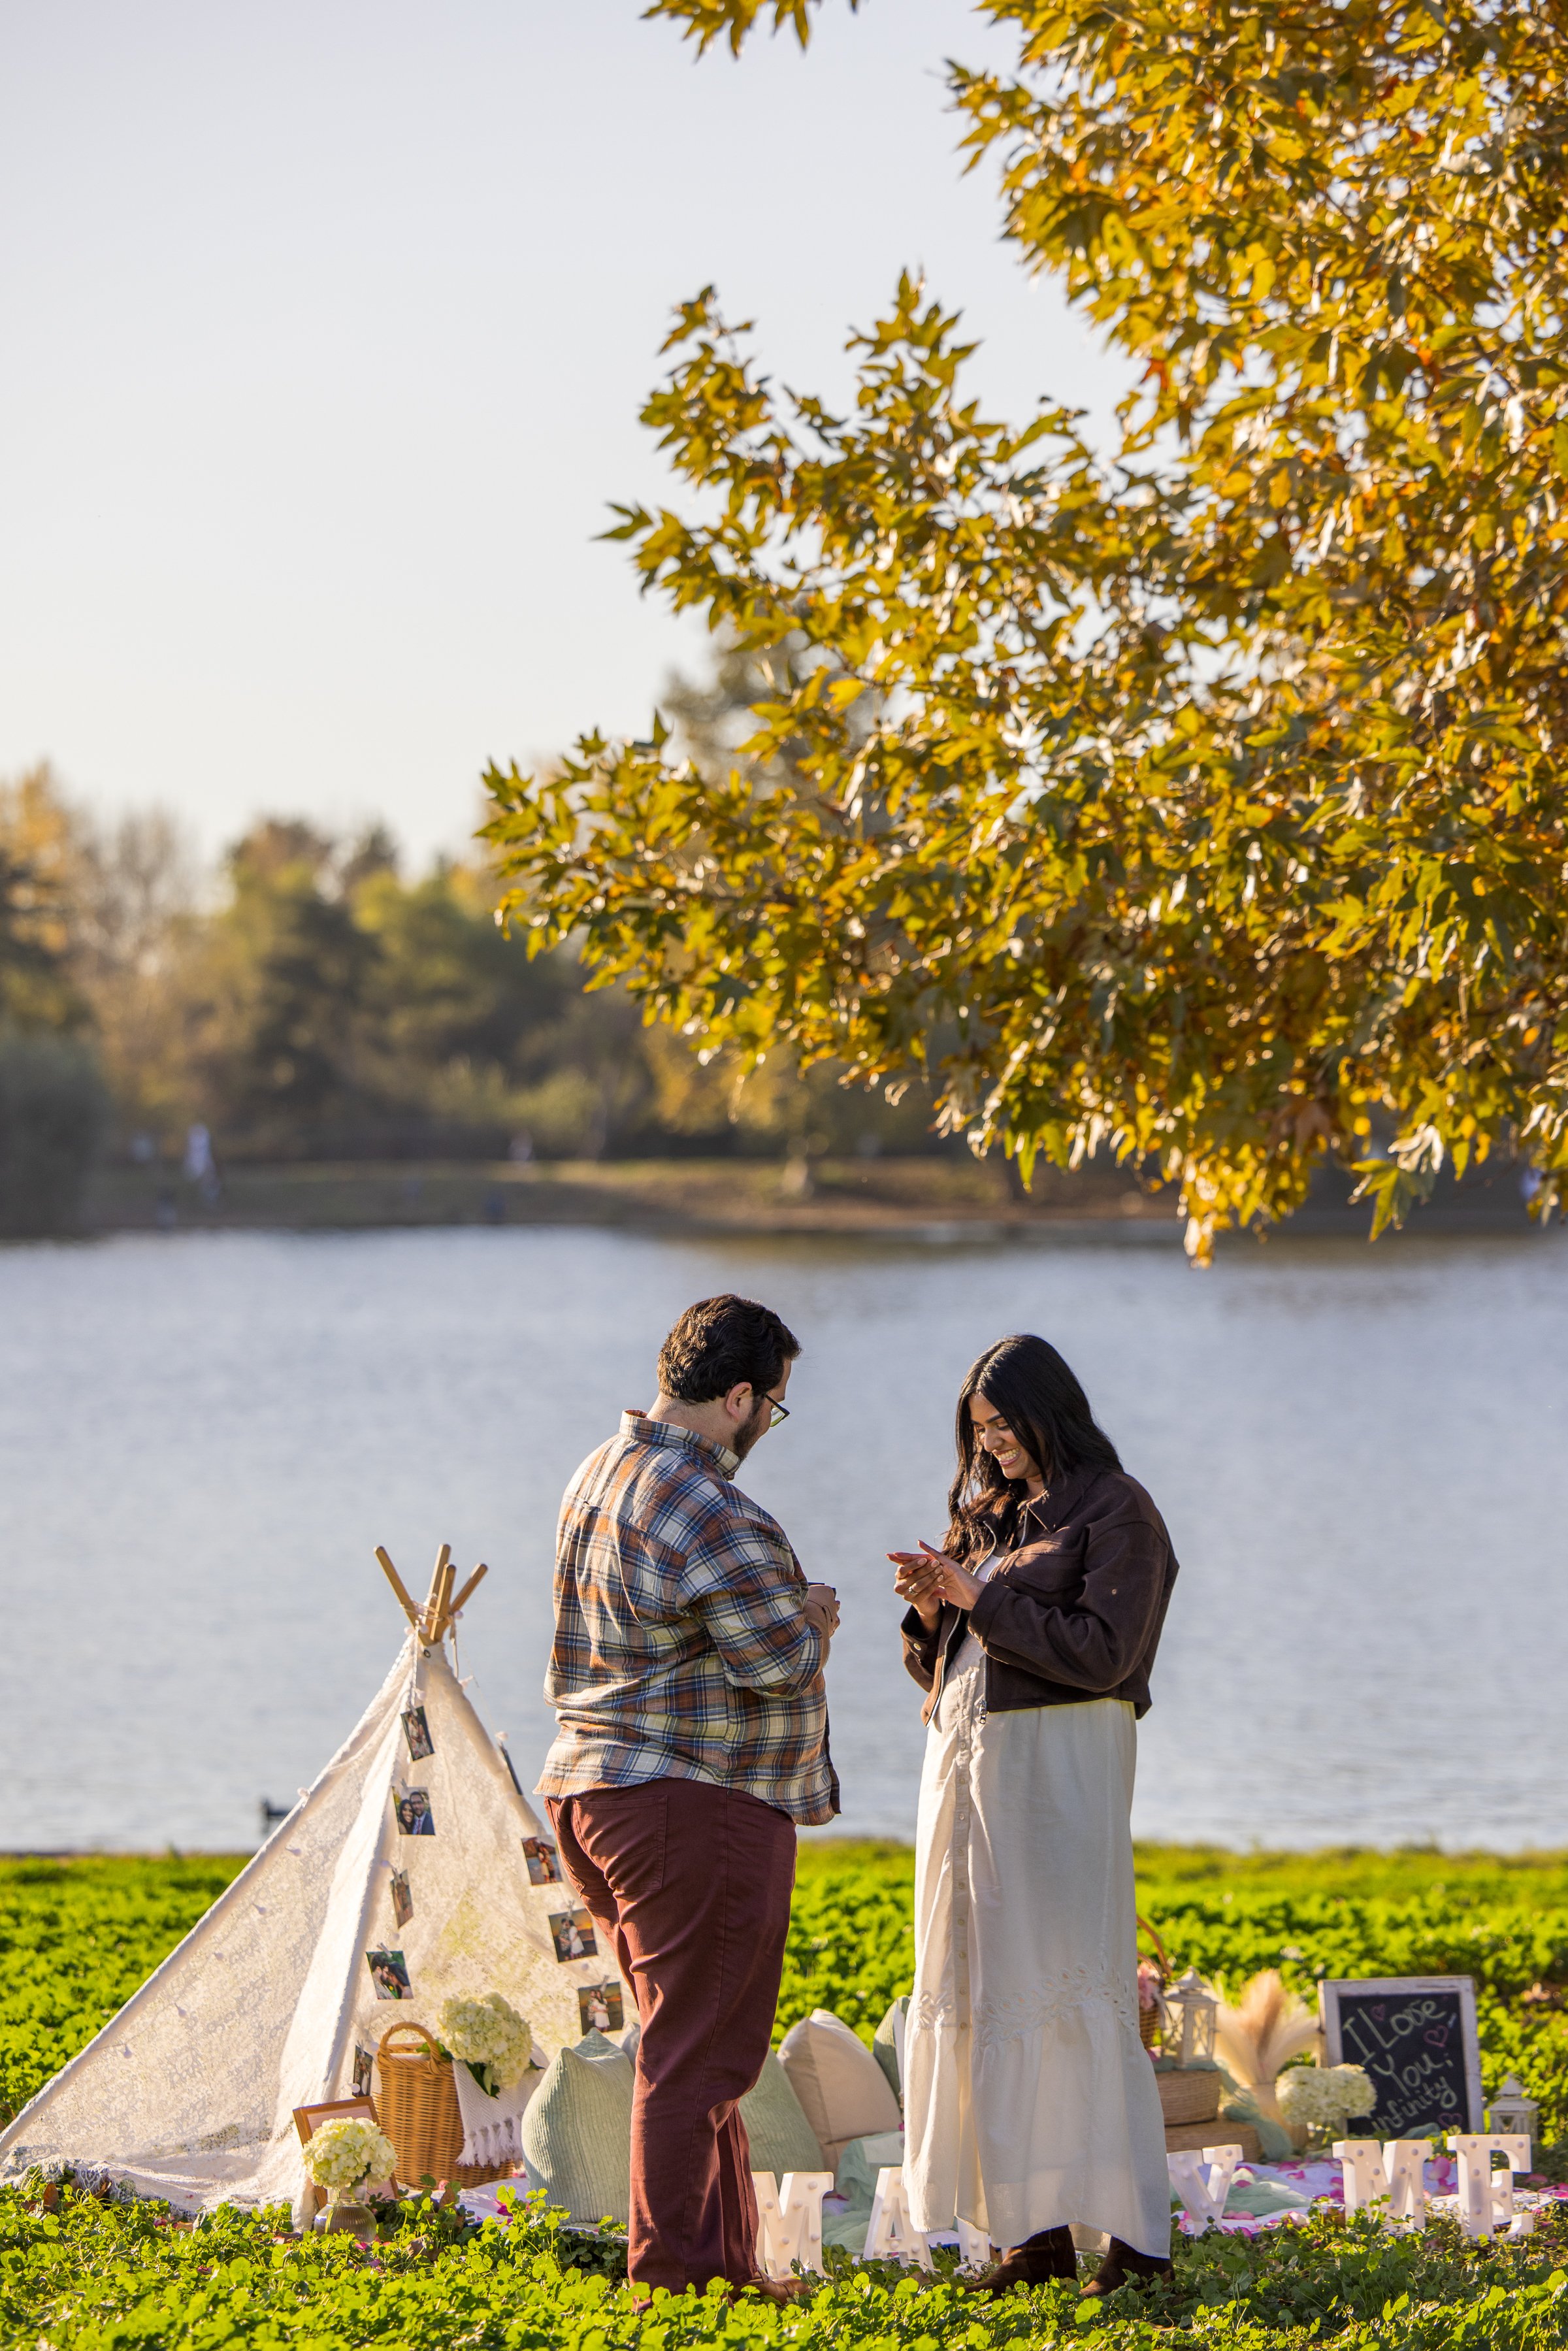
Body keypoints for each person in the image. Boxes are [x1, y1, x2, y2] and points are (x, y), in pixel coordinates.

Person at [537, 1294, 840, 2302]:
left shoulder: (599, 1468)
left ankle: (726, 2268)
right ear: (740, 1395)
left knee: (694, 2046)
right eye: (773, 1408)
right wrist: (814, 1613)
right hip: (688, 1801)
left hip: (592, 1792)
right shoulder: (710, 1502)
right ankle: (670, 2284)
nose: (767, 1429)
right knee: (693, 2056)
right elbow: (777, 1662)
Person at [890, 1333, 1179, 2299]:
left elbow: (1104, 1654)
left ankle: (1135, 2240)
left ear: (1050, 1409)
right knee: (983, 1986)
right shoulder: (989, 1514)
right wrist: (935, 1612)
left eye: (1005, 1423)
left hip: (1056, 1778)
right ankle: (1030, 2232)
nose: (994, 1443)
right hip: (964, 1773)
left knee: (1063, 1983)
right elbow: (958, 1660)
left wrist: (982, 1597)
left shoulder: (1118, 1508)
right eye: (980, 1429)